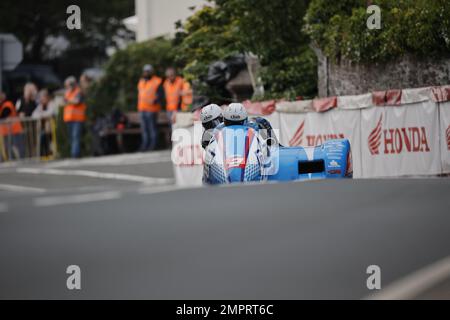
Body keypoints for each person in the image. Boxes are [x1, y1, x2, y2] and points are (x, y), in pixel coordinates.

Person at [137, 64, 164, 151]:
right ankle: (145, 145)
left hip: (152, 109)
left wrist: (155, 100)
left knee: (152, 128)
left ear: (151, 72)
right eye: (145, 71)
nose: (146, 73)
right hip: (142, 109)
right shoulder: (141, 81)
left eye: (148, 71)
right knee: (144, 129)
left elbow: (161, 95)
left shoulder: (157, 81)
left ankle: (153, 145)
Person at [63, 76, 87, 158]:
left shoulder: (78, 91)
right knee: (71, 137)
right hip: (69, 118)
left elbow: (77, 101)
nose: (67, 87)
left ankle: (75, 154)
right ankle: (75, 152)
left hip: (77, 118)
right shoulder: (67, 92)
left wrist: (68, 101)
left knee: (75, 136)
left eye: (68, 85)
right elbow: (64, 102)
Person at [32, 89, 58, 157]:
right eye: (41, 98)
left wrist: (41, 115)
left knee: (49, 140)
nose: (41, 99)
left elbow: (51, 113)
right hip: (43, 129)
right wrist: (42, 115)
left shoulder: (52, 104)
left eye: (43, 97)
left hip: (52, 128)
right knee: (42, 138)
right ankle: (44, 154)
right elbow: (34, 115)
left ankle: (52, 153)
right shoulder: (40, 106)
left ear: (47, 97)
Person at [0, 91, 24, 160]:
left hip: (15, 129)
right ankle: (12, 159)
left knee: (18, 146)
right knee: (8, 147)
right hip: (5, 131)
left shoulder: (8, 104)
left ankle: (22, 159)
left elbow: (4, 114)